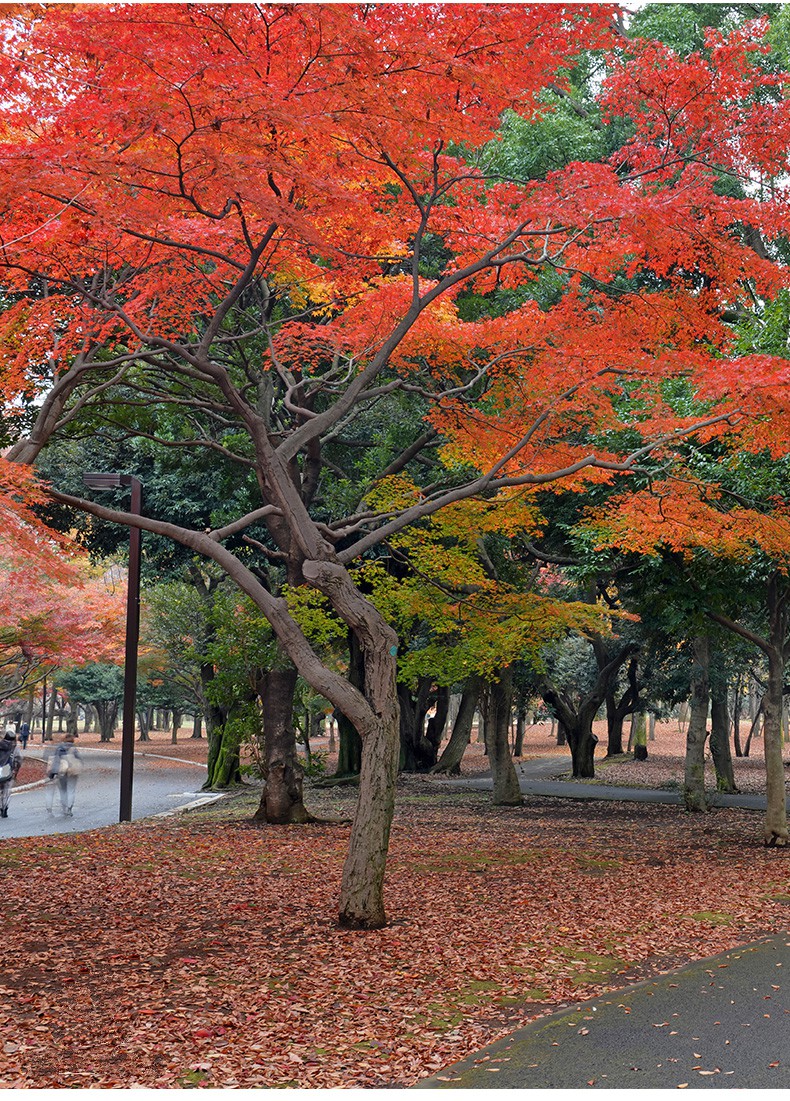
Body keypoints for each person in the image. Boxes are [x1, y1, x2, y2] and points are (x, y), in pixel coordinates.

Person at [46, 733, 82, 817]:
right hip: (73, 772)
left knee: (63, 790)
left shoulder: (59, 749)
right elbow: (79, 759)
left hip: (62, 771)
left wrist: (53, 772)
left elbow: (56, 760)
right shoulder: (74, 749)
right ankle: (69, 808)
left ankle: (64, 806)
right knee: (71, 790)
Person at [0, 727, 23, 819]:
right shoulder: (15, 748)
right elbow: (19, 759)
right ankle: (4, 807)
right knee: (6, 790)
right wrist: (16, 770)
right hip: (7, 769)